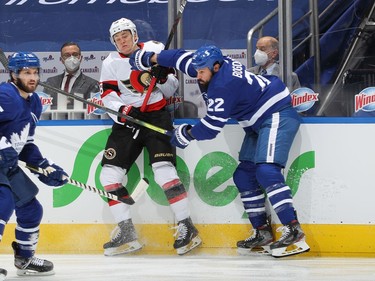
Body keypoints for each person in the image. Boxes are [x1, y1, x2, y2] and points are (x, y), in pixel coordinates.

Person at [130, 45, 310, 258]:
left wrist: (185, 134)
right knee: (244, 176)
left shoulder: (223, 85)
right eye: (196, 71)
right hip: (255, 120)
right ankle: (262, 232)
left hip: (276, 112)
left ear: (216, 67)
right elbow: (179, 57)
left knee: (267, 171)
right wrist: (151, 58)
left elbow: (211, 127)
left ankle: (294, 231)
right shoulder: (207, 66)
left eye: (202, 72)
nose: (198, 76)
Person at [98, 18, 201, 256]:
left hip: (155, 117)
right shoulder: (110, 62)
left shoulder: (154, 50)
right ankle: (126, 231)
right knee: (109, 176)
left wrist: (162, 77)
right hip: (128, 121)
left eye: (125, 35)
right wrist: (123, 110)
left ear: (134, 35)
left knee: (164, 170)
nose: (121, 41)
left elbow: (170, 89)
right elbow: (108, 95)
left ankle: (187, 225)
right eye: (117, 38)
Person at [0, 52, 68, 276]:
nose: (33, 78)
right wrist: (3, 147)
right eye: (27, 73)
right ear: (14, 74)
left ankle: (25, 260)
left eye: (35, 72)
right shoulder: (5, 95)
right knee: (4, 202)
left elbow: (26, 143)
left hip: (7, 165)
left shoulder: (35, 102)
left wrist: (44, 166)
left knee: (31, 209)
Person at [42, 42, 100, 119]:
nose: (71, 58)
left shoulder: (92, 84)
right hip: (54, 123)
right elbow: (45, 108)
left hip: (82, 125)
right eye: (67, 55)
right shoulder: (50, 82)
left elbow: (93, 111)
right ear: (61, 60)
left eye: (75, 54)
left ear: (81, 58)